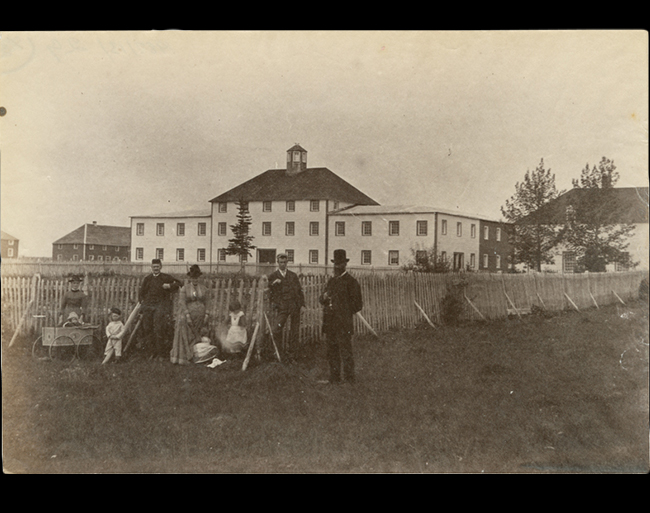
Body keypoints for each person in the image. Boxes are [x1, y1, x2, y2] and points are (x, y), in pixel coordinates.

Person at [319, 249, 363, 384]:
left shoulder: (351, 282)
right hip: (330, 322)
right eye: (335, 264)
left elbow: (358, 305)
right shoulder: (331, 281)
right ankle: (334, 378)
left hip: (343, 322)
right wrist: (324, 297)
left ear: (345, 264)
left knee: (345, 351)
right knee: (331, 351)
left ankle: (350, 379)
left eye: (339, 264)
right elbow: (322, 299)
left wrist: (342, 309)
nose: (336, 267)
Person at [138, 259, 182, 361]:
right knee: (148, 329)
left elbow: (180, 283)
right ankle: (151, 353)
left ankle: (160, 354)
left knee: (159, 328)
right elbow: (141, 293)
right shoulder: (147, 279)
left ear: (161, 267)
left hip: (161, 305)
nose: (156, 269)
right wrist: (143, 304)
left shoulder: (166, 277)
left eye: (157, 267)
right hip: (149, 306)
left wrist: (170, 286)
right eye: (154, 267)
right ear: (151, 267)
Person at [171, 264, 211, 365]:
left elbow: (208, 302)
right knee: (184, 326)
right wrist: (187, 315)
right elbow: (182, 302)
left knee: (198, 333)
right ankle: (185, 356)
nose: (195, 279)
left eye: (197, 277)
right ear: (190, 278)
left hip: (200, 315)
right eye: (193, 277)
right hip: (188, 313)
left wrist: (206, 314)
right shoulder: (185, 288)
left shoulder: (204, 288)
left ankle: (197, 356)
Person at [268, 253, 305, 362]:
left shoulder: (293, 275)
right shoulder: (273, 276)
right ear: (277, 263)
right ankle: (279, 353)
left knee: (294, 331)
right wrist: (274, 284)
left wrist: (302, 305)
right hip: (282, 307)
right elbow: (269, 291)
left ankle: (292, 355)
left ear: (287, 263)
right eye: (281, 262)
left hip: (294, 306)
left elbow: (299, 291)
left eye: (284, 262)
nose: (283, 264)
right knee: (276, 330)